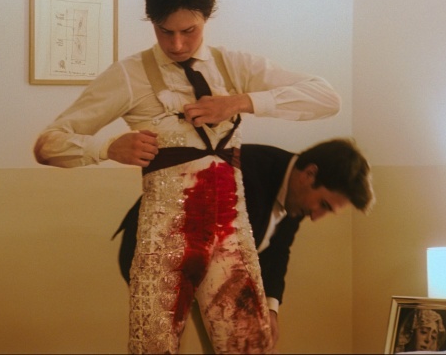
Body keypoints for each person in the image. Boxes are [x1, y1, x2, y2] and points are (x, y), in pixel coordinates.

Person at [33, 0, 341, 354]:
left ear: (206, 19)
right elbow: (48, 144)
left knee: (252, 348)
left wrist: (240, 102)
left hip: (232, 239)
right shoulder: (128, 74)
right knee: (154, 349)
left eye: (188, 31)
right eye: (165, 31)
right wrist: (107, 148)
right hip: (164, 243)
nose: (177, 45)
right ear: (152, 23)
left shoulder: (233, 66)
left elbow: (327, 98)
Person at [113, 139, 375, 350]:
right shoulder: (243, 172)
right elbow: (223, 259)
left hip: (211, 265)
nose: (317, 216)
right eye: (324, 205)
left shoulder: (298, 195)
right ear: (310, 174)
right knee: (166, 345)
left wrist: (270, 309)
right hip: (158, 253)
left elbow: (278, 251)